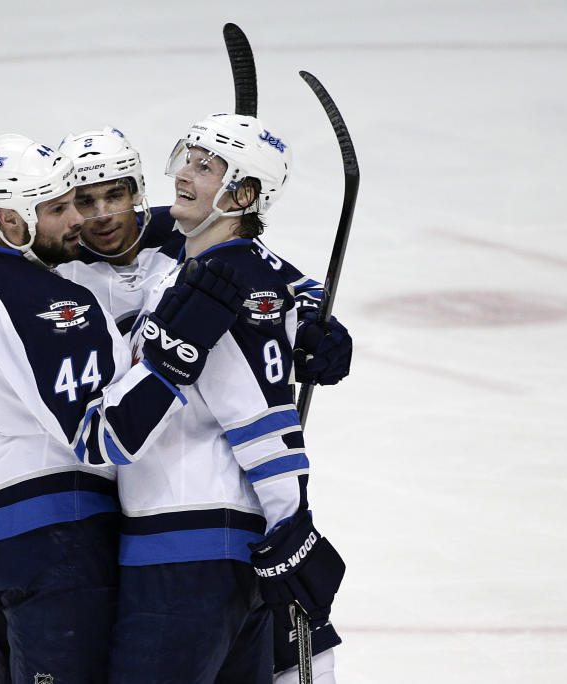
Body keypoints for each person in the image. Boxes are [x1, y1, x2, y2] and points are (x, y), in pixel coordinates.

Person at [0, 133, 244, 684]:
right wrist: (177, 354)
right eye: (58, 209)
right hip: (52, 542)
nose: (79, 220)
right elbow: (108, 440)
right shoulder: (60, 308)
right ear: (12, 218)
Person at [56, 114, 345, 683]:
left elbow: (261, 417)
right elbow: (269, 272)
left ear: (241, 192)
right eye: (185, 160)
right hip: (214, 542)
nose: (183, 176)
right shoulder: (210, 269)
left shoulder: (213, 285)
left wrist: (293, 523)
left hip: (185, 549)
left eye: (204, 166)